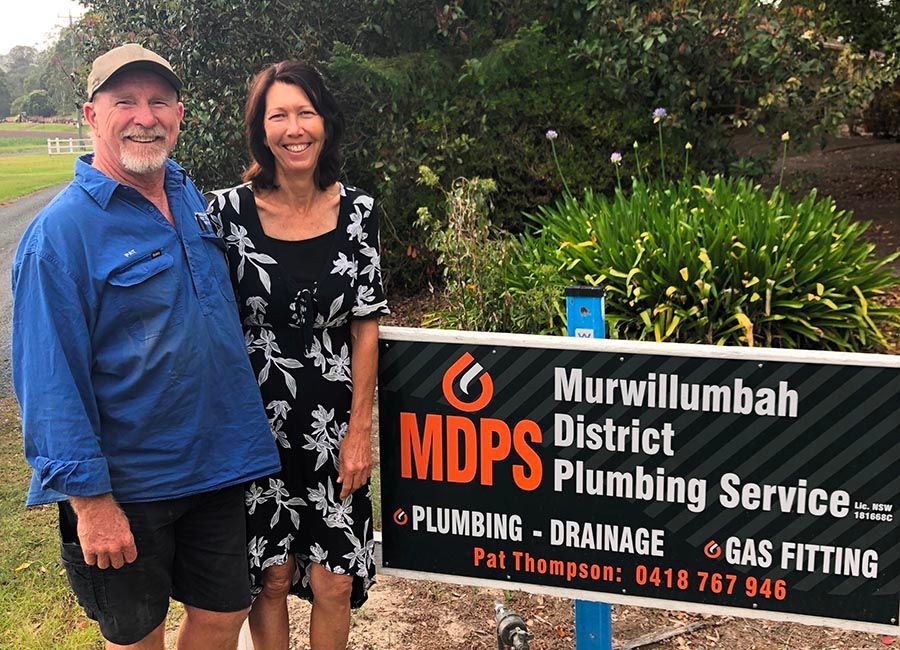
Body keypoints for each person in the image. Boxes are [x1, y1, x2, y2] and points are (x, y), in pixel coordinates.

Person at [12, 44, 281, 649]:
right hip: (130, 487)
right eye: (125, 101)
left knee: (223, 614)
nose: (145, 115)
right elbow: (49, 383)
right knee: (138, 638)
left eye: (159, 102)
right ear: (92, 114)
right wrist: (91, 504)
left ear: (180, 115)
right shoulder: (60, 235)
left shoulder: (191, 201)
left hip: (217, 466)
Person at [206, 60, 389, 650]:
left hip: (334, 427)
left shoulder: (358, 212)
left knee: (334, 581)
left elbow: (365, 325)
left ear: (324, 122)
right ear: (260, 129)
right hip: (254, 427)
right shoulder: (227, 213)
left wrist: (360, 429)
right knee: (272, 579)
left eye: (305, 112)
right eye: (277, 114)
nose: (294, 127)